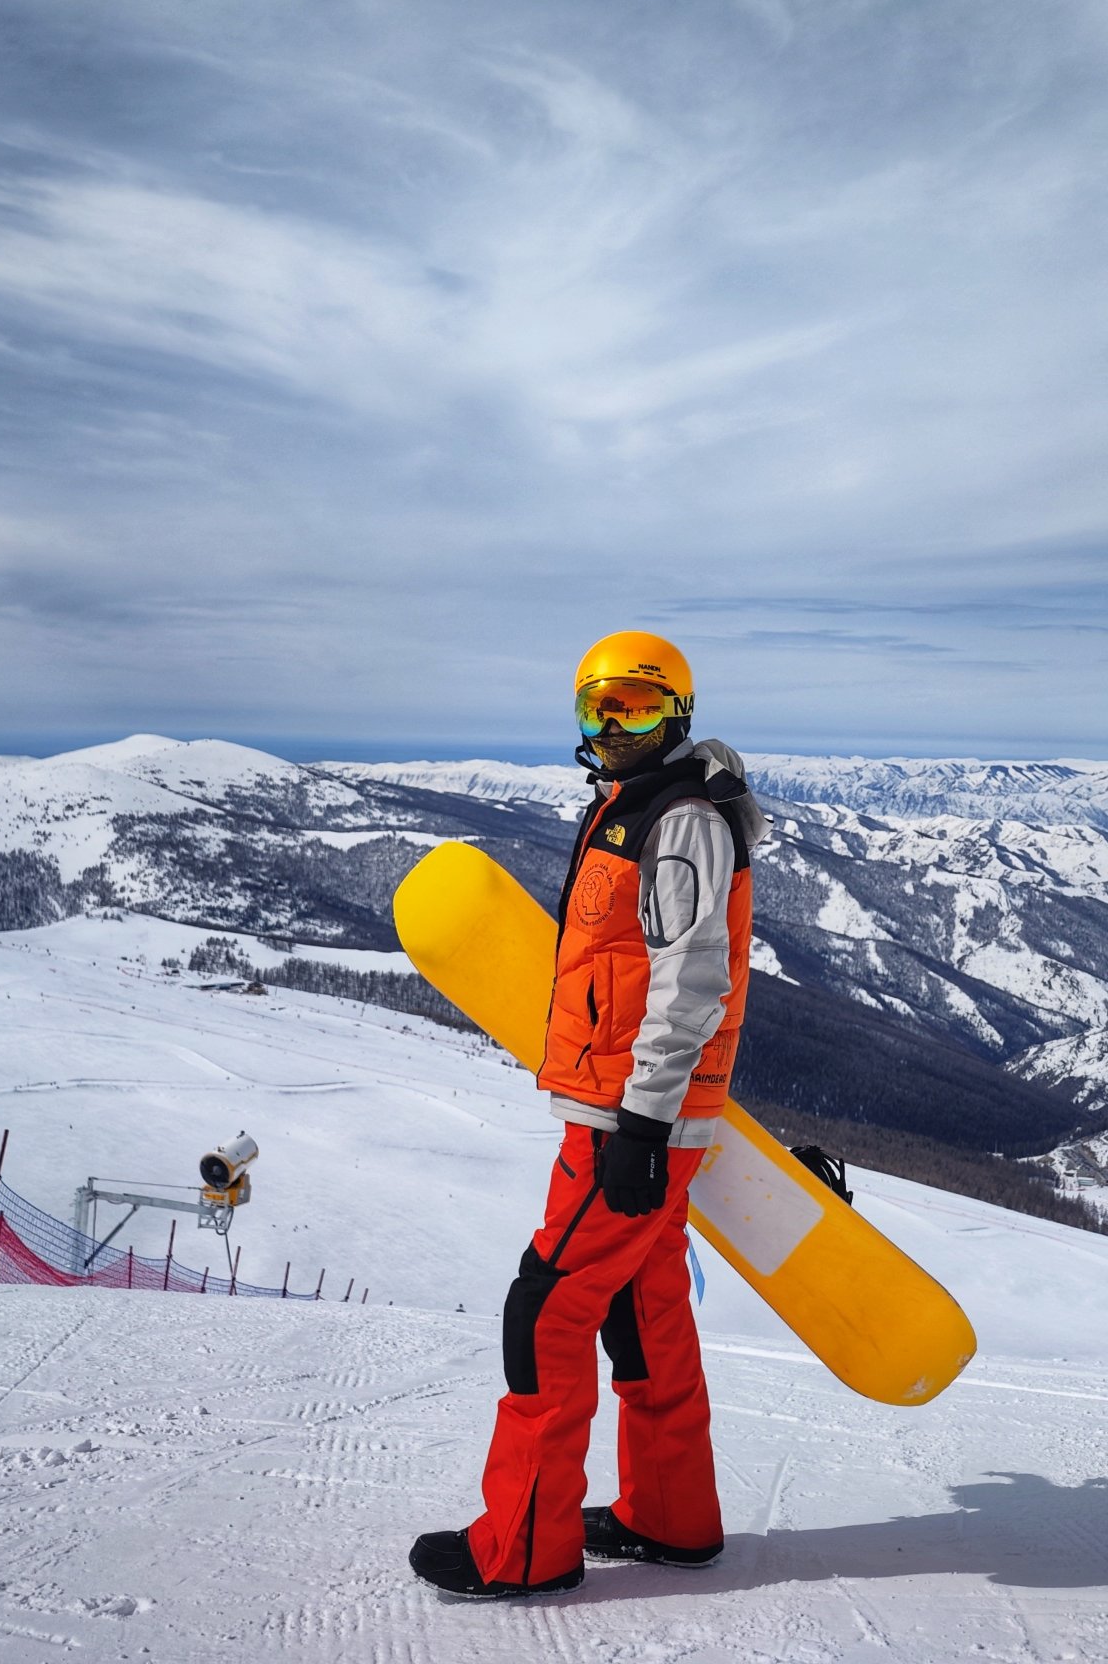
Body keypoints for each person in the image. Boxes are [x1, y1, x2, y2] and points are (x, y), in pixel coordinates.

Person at [409, 631, 767, 1598]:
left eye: (637, 707)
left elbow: (692, 982)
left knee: (548, 1308)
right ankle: (670, 1515)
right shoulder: (629, 805)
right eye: (597, 706)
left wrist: (643, 1125)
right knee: (643, 1309)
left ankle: (522, 1549)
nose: (613, 726)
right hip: (628, 1105)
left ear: (676, 716)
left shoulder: (678, 818)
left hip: (627, 1117)